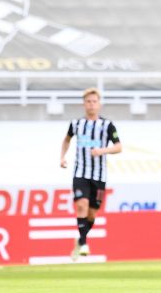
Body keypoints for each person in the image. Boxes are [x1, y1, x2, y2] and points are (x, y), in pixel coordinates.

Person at [59, 87, 123, 261]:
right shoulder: (76, 124)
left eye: (94, 101)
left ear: (99, 104)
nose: (91, 104)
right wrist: (62, 157)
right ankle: (85, 242)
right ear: (84, 104)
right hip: (80, 172)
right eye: (88, 101)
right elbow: (66, 140)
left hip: (99, 176)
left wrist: (102, 150)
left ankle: (79, 240)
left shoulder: (107, 125)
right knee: (82, 204)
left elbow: (119, 147)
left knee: (92, 213)